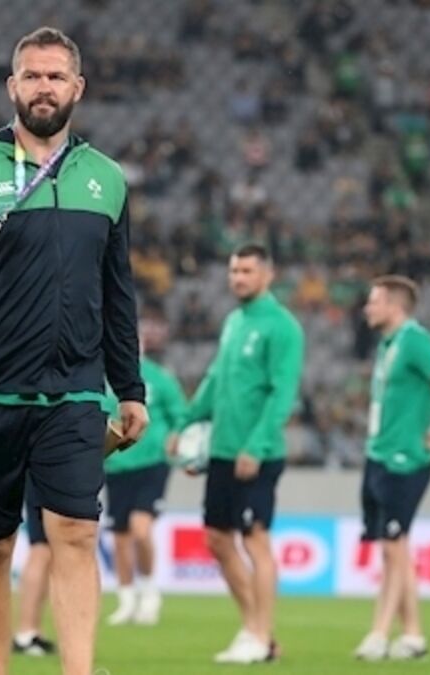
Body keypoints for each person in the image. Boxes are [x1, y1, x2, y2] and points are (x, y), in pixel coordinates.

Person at [0, 26, 148, 675]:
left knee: (75, 533)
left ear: (78, 87)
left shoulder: (106, 179)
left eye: (55, 76)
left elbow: (118, 292)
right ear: (11, 86)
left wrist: (130, 388)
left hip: (74, 394)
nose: (43, 87)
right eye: (32, 75)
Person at [179, 244, 304, 664]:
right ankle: (255, 631)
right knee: (217, 539)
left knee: (255, 540)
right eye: (234, 271)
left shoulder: (283, 327)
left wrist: (256, 445)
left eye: (247, 271)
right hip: (222, 449)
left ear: (267, 275)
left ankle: (260, 635)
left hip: (257, 453)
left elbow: (282, 393)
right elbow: (216, 379)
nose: (238, 278)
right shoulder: (234, 321)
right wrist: (186, 423)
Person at [353, 276, 430, 662]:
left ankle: (379, 633)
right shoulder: (389, 344)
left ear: (395, 306)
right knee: (393, 549)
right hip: (380, 454)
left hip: (404, 459)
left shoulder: (416, 340)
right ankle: (413, 635)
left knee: (393, 546)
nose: (367, 308)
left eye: (374, 301)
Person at [105, 305, 186, 627]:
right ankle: (126, 599)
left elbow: (180, 414)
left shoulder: (159, 378)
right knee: (120, 536)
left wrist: (176, 435)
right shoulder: (103, 381)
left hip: (151, 462)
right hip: (116, 464)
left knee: (141, 528)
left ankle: (150, 591)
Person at [11, 480, 56, 657]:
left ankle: (32, 630)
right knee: (41, 549)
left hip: (43, 476)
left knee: (46, 551)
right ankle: (26, 631)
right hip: (45, 476)